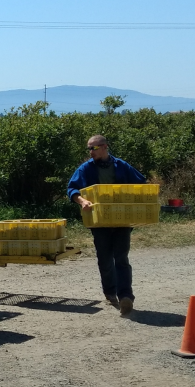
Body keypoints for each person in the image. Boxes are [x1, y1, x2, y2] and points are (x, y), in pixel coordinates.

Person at [68, 135, 147, 316]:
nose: (90, 152)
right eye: (88, 149)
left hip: (122, 220)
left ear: (104, 147)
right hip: (99, 221)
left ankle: (126, 296)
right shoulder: (85, 168)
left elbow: (141, 183)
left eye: (93, 148)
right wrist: (82, 201)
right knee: (105, 259)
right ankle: (110, 292)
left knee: (121, 258)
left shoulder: (121, 166)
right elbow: (72, 189)